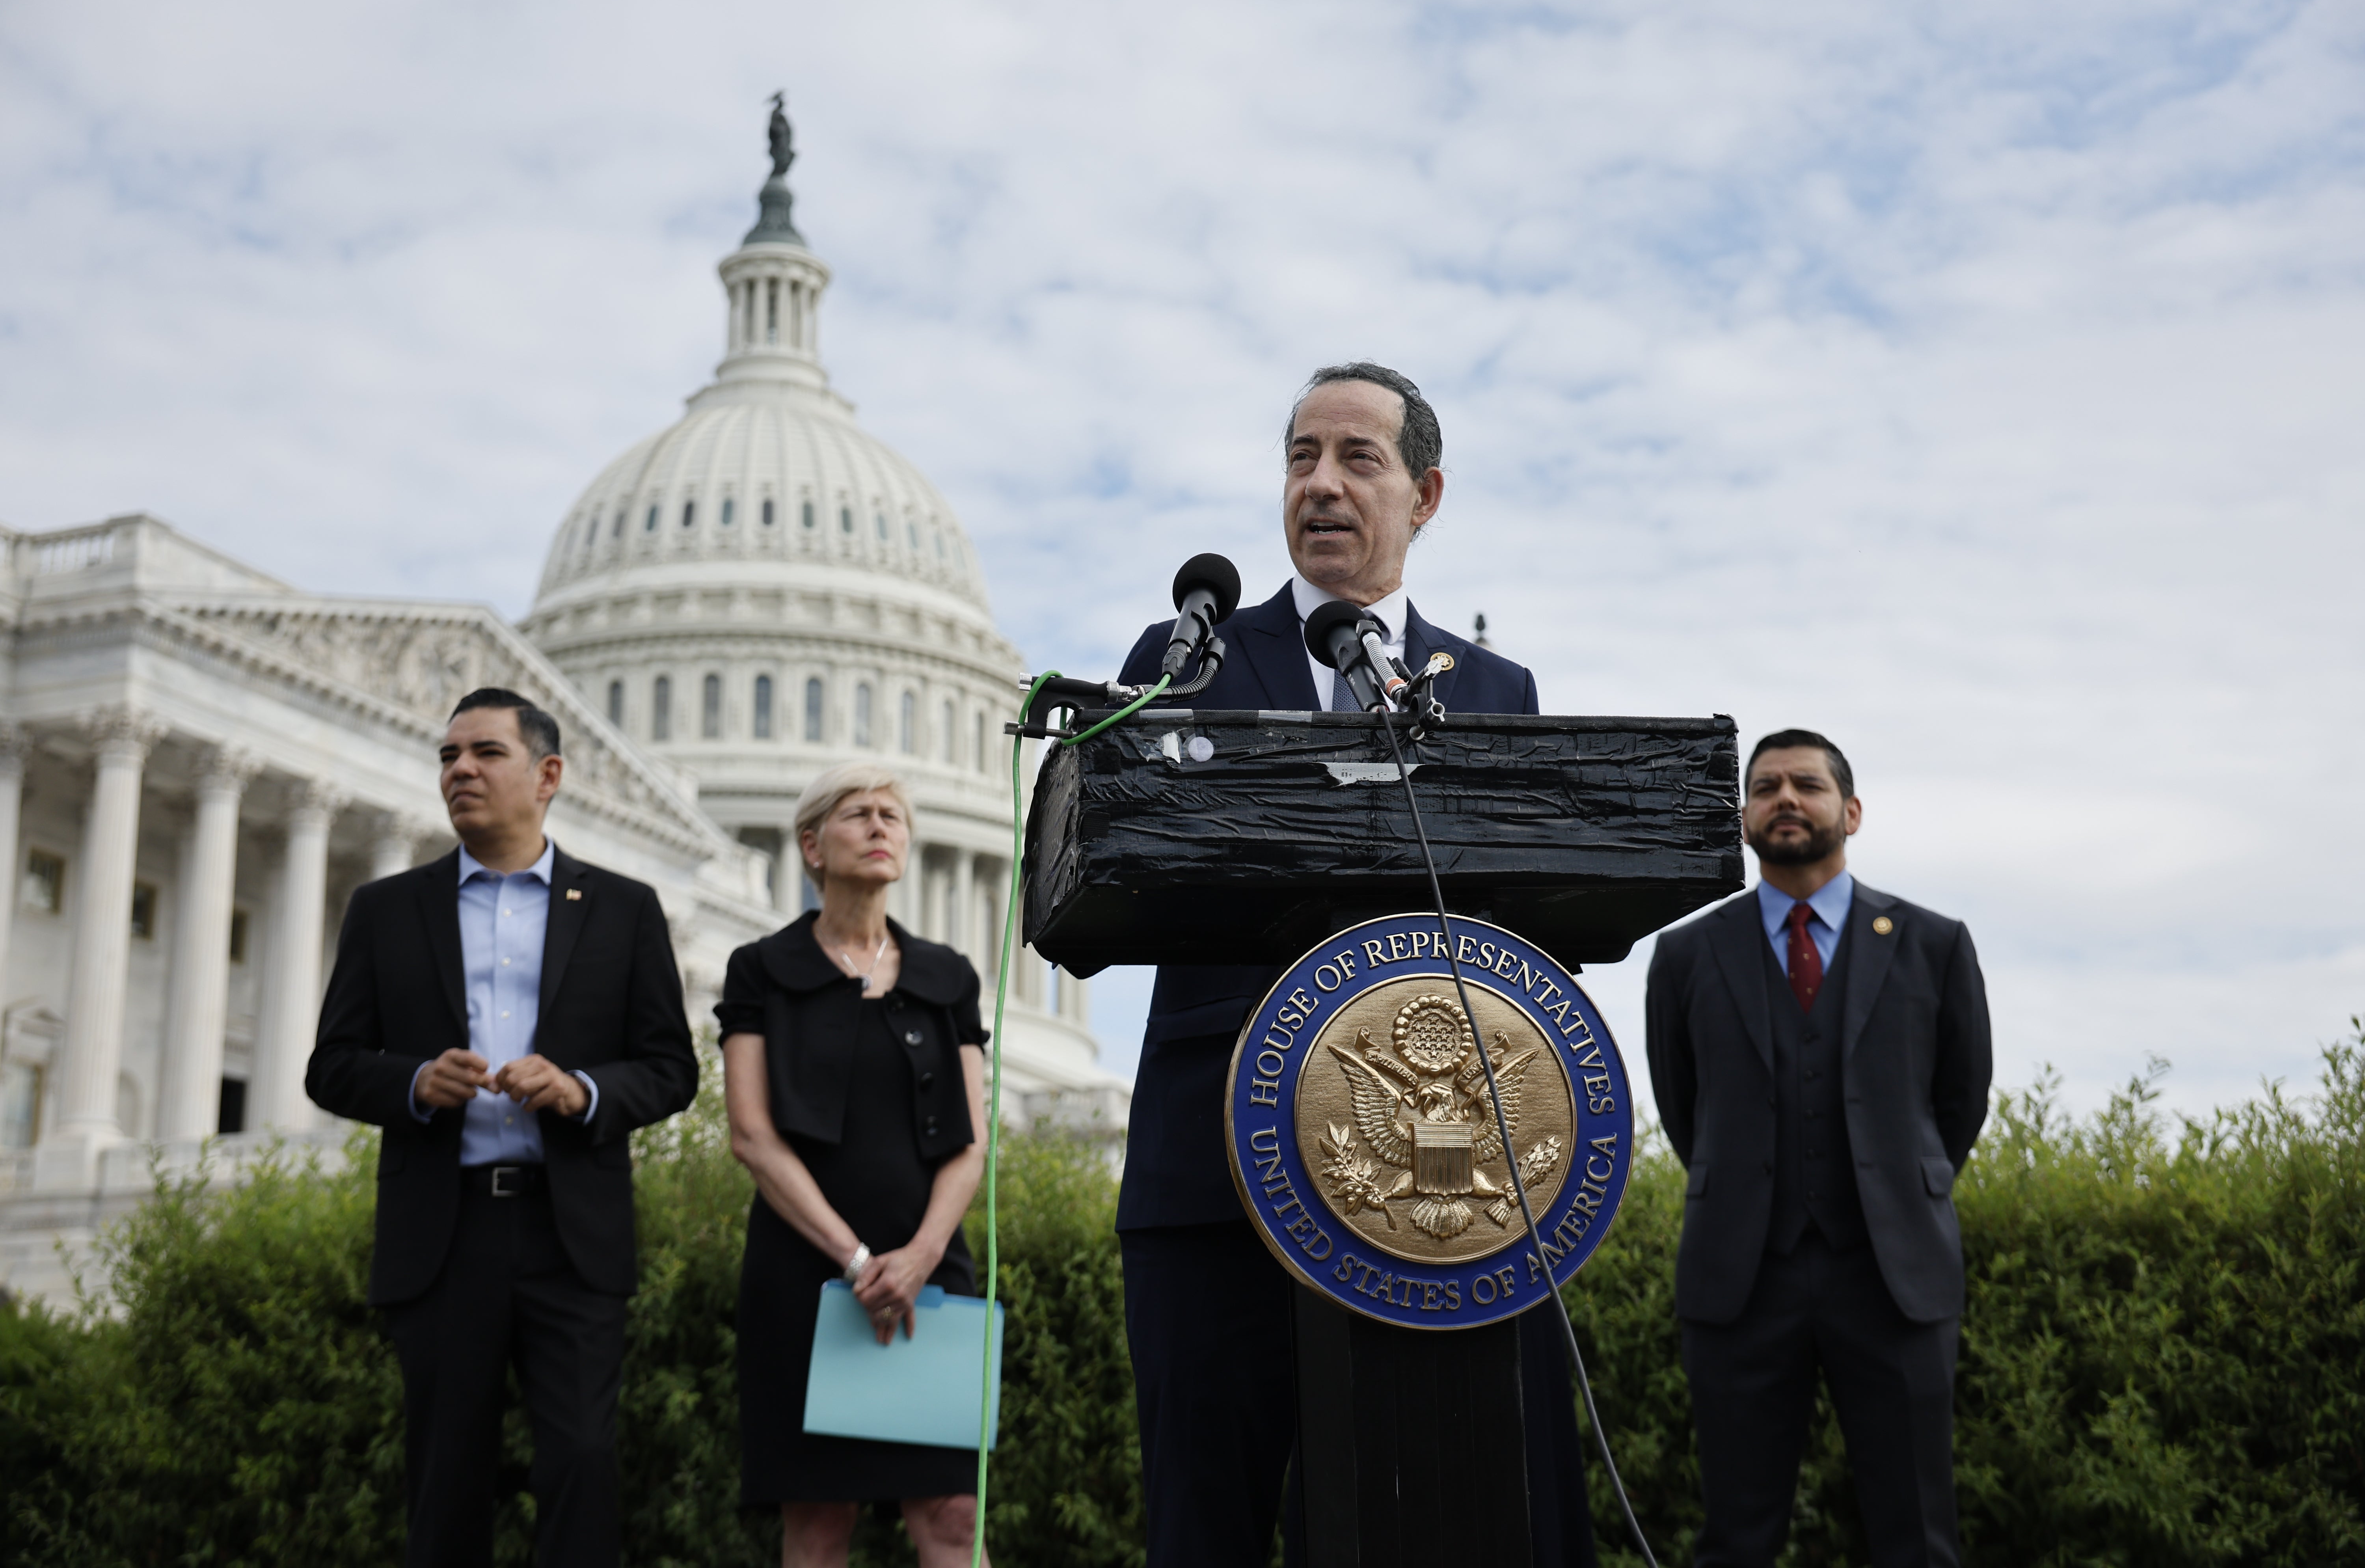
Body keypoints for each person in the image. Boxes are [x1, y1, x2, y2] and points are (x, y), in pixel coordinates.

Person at [1107, 361, 1595, 1566]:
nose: (1319, 484)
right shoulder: (1189, 657)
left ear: (1424, 495)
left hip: (1430, 1187)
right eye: (1299, 458)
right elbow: (1121, 860)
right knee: (1206, 1521)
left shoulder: (1491, 690)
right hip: (1220, 1164)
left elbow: (1528, 920)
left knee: (1422, 1516)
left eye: (1356, 459)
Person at [307, 687, 699, 1568]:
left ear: (547, 774)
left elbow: (672, 1069)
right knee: (446, 1480)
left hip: (573, 1236)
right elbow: (330, 1065)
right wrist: (413, 1080)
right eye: (449, 756)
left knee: (584, 1464)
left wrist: (581, 1089)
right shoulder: (386, 908)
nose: (460, 771)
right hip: (444, 1234)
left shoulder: (623, 909)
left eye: (485, 752)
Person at [1644, 730, 1993, 1568]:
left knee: (1917, 1535)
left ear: (1852, 810)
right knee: (1735, 1537)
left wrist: (1894, 1192)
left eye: (1807, 783)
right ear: (1744, 818)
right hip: (1740, 1279)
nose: (1786, 799)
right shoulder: (1687, 953)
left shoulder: (1934, 944)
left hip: (1894, 1278)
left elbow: (1959, 1102)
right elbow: (1684, 1107)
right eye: (1766, 787)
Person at [713, 762, 994, 1568]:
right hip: (805, 1273)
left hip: (932, 1267)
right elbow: (754, 1136)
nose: (880, 827)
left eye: (893, 816)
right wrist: (860, 1261)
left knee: (950, 1511)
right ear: (811, 844)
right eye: (858, 814)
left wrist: (918, 1257)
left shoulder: (949, 976)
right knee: (819, 1515)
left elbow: (970, 1142)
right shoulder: (760, 969)